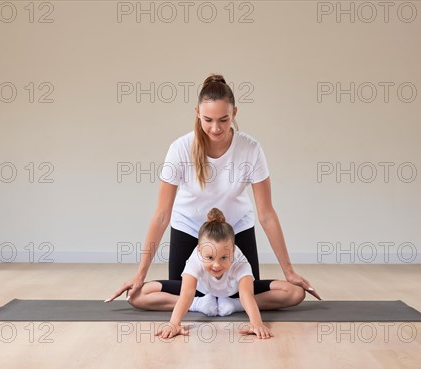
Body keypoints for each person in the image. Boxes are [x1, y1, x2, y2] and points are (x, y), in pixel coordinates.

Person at [105, 73, 321, 304]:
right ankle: (204, 304)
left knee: (281, 293)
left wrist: (289, 271)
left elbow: (267, 215)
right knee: (140, 296)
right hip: (189, 229)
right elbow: (161, 215)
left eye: (224, 119)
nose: (215, 128)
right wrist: (140, 274)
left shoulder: (251, 149)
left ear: (234, 113)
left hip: (235, 230)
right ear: (197, 112)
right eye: (208, 119)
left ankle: (228, 304)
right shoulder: (179, 149)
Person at [132, 208, 305, 339]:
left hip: (234, 293)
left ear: (233, 250)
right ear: (200, 250)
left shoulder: (239, 259)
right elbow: (187, 292)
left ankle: (231, 305)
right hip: (201, 293)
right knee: (136, 296)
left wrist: (256, 323)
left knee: (296, 292)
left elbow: (246, 293)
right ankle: (200, 304)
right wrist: (174, 324)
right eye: (210, 257)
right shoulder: (196, 258)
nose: (216, 264)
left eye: (224, 257)